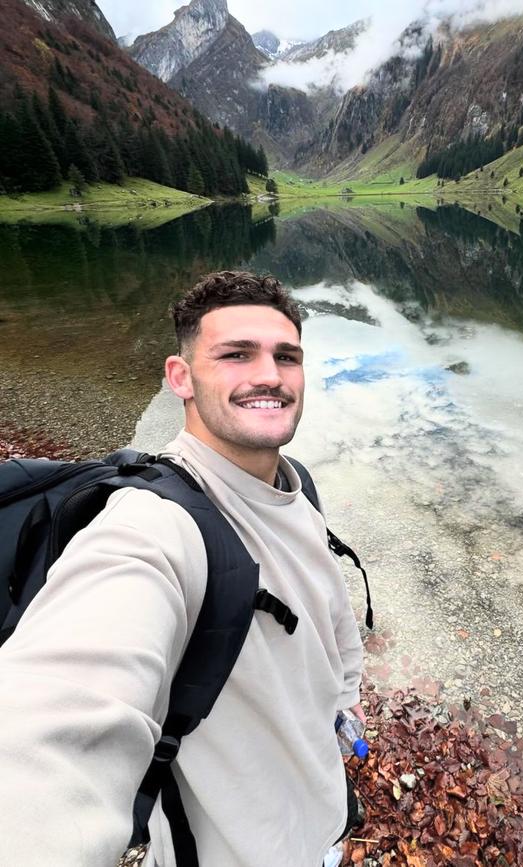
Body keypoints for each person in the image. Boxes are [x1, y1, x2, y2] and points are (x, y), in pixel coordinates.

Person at [0, 271, 365, 867]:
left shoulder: (296, 485)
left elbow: (328, 620)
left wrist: (346, 700)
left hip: (323, 823)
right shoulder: (153, 526)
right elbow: (45, 736)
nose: (269, 375)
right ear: (180, 377)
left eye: (286, 356)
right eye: (235, 355)